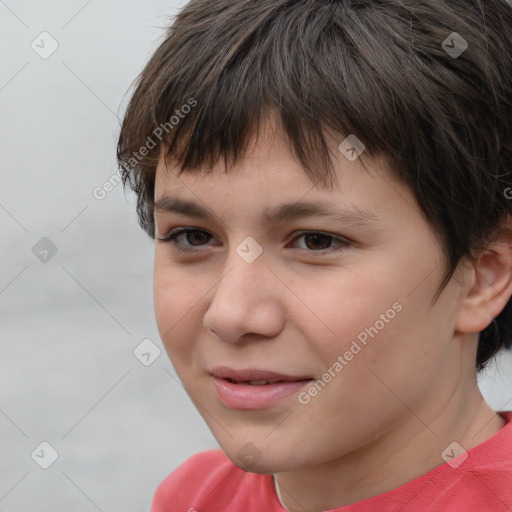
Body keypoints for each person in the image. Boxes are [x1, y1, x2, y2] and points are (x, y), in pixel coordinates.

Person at [117, 0, 512, 510]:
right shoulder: (195, 496)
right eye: (193, 236)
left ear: (483, 275)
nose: (231, 315)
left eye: (315, 241)